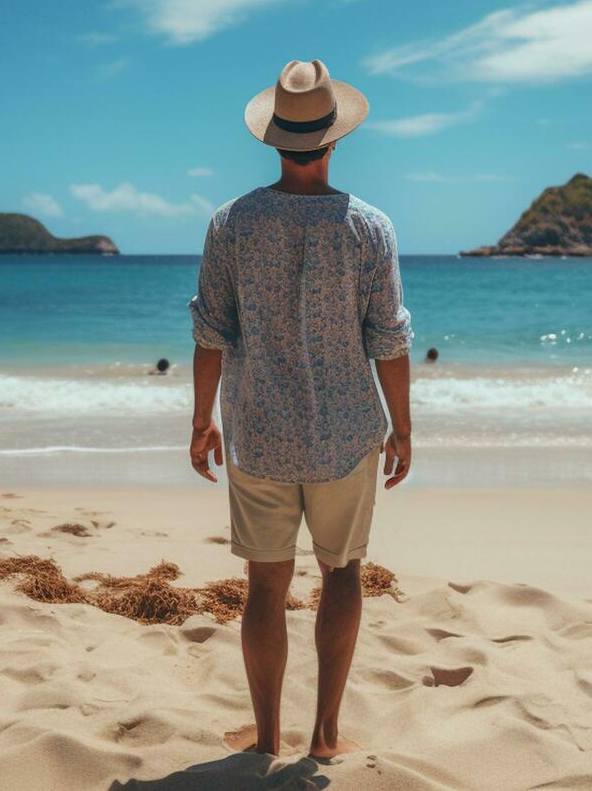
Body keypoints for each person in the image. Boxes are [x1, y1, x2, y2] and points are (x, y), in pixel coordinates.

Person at [188, 59, 413, 761]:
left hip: (257, 431)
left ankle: (262, 738)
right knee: (342, 573)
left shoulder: (232, 223)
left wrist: (201, 421)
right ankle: (322, 736)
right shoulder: (369, 227)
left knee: (264, 581)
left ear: (272, 139)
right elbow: (390, 340)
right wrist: (402, 427)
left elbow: (209, 333)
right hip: (346, 433)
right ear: (335, 138)